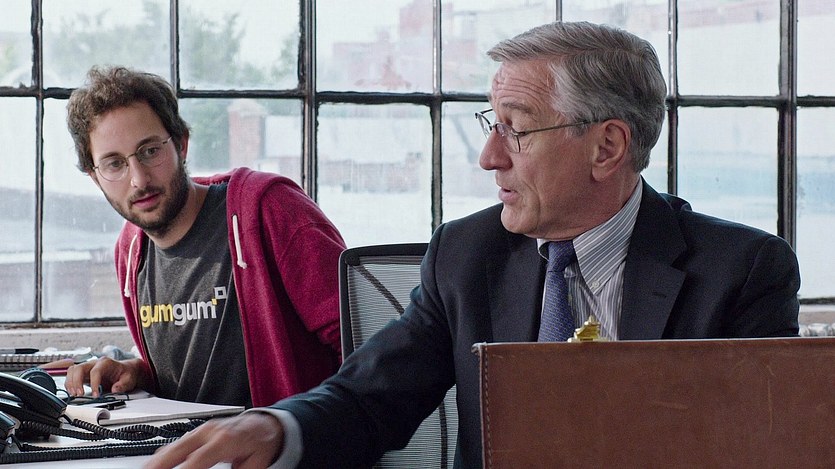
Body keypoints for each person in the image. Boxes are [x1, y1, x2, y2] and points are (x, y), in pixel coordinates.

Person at [144, 21, 800, 469]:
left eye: (516, 130)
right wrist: (275, 427)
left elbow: (761, 451)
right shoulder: (466, 255)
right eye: (492, 125)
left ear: (606, 147)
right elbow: (368, 396)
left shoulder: (741, 273)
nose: (489, 157)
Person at [64, 66, 345, 408]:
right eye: (114, 164)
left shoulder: (269, 211)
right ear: (95, 177)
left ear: (181, 144)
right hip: (176, 441)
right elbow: (190, 380)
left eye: (150, 151)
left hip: (281, 441)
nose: (138, 179)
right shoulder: (131, 249)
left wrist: (296, 427)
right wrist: (138, 371)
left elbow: (371, 350)